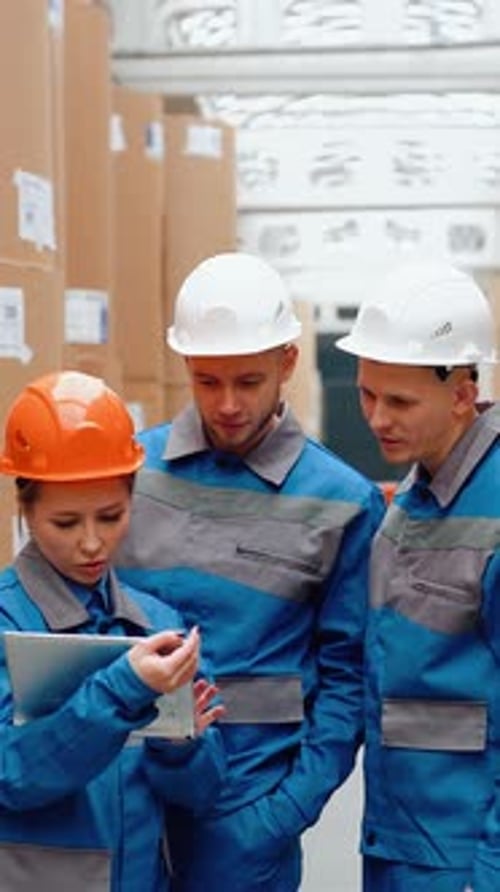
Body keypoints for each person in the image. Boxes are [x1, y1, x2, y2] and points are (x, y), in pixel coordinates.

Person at [116, 250, 385, 892]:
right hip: (125, 807)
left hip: (244, 821)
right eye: (208, 382)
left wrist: (283, 814)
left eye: (248, 381)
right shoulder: (130, 471)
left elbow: (349, 682)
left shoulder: (341, 501)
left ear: (287, 362)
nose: (228, 404)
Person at [0, 370, 226, 892]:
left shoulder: (158, 626)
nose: (91, 543)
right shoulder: (8, 624)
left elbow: (203, 793)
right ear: (26, 509)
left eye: (110, 516)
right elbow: (11, 775)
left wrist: (180, 745)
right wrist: (124, 690)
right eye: (66, 523)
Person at [336, 259, 500, 892]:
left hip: (463, 858)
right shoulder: (418, 491)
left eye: (400, 401)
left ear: (463, 393)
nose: (377, 418)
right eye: (367, 395)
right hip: (401, 841)